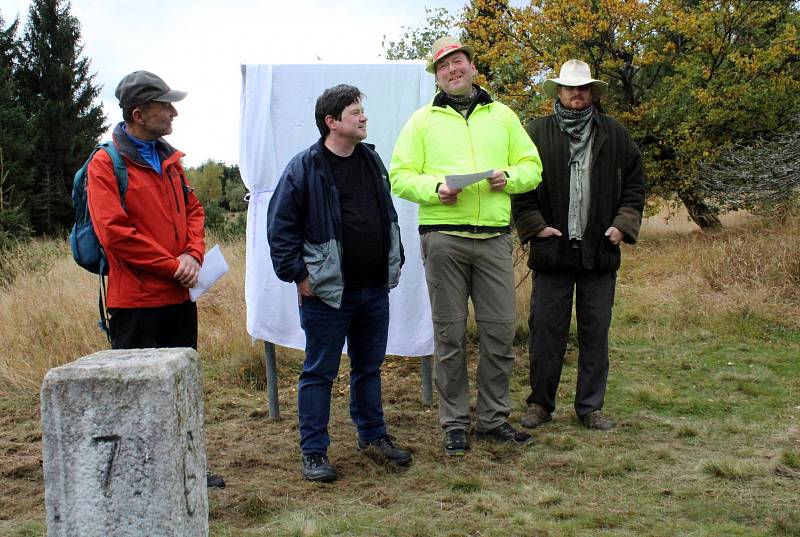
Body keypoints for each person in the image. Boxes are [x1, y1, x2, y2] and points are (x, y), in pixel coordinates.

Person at [390, 36, 543, 457]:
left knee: (499, 333)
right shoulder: (422, 121)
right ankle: (454, 423)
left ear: (473, 67)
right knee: (450, 336)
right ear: (436, 76)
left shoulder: (504, 117)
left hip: (494, 239)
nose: (452, 70)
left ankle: (494, 420)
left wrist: (508, 179)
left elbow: (533, 168)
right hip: (443, 239)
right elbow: (399, 176)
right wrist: (435, 187)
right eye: (443, 67)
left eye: (458, 62)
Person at [267, 84, 411, 483]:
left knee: (369, 368)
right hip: (328, 293)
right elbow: (280, 229)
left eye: (362, 110)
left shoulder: (371, 161)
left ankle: (373, 437)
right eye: (354, 112)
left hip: (373, 289)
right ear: (331, 122)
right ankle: (314, 452)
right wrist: (298, 274)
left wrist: (394, 257)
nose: (363, 117)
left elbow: (388, 215)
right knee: (319, 372)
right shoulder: (304, 167)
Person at [87, 70, 224, 488]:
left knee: (181, 388)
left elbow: (195, 212)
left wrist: (193, 254)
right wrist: (173, 264)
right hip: (135, 305)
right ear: (139, 113)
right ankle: (139, 480)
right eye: (165, 106)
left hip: (180, 299)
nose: (174, 112)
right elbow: (114, 233)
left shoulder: (172, 162)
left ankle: (186, 469)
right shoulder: (105, 163)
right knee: (136, 397)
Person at [512, 60, 645, 431]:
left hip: (599, 250)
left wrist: (622, 225)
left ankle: (590, 408)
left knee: (595, 331)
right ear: (558, 91)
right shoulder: (535, 133)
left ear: (592, 93)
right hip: (552, 252)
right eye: (570, 87)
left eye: (583, 88)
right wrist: (535, 227)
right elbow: (520, 189)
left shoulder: (615, 134)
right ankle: (539, 404)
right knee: (545, 333)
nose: (576, 93)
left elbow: (635, 185)